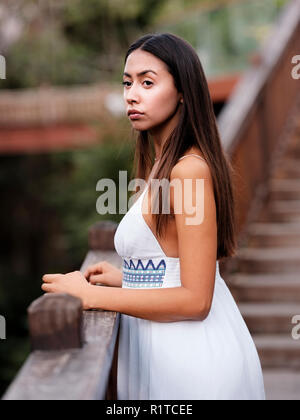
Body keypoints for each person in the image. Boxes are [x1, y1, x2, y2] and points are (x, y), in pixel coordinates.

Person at [42, 33, 266, 400]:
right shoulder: (164, 166)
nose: (132, 94)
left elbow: (196, 300)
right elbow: (173, 261)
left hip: (191, 364)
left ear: (182, 91)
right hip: (164, 349)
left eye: (148, 82)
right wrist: (128, 277)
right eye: (127, 83)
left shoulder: (189, 170)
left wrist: (90, 296)